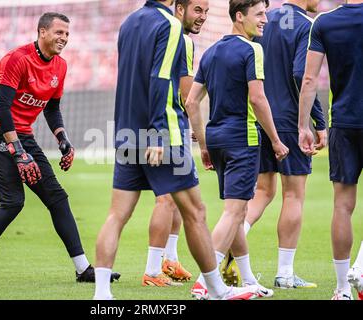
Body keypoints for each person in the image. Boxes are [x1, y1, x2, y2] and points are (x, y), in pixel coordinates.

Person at [94, 0, 259, 300]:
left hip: (127, 132)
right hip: (163, 135)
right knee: (195, 212)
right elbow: (159, 80)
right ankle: (215, 288)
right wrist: (158, 134)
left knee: (116, 215)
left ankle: (102, 293)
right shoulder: (169, 25)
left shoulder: (128, 23)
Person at [0, 12, 119, 285]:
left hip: (22, 133)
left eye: (67, 34)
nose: (64, 38)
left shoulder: (60, 66)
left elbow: (52, 108)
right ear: (42, 32)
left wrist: (62, 138)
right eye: (59, 32)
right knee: (13, 202)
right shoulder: (17, 59)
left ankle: (83, 269)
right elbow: (1, 109)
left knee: (57, 198)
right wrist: (19, 153)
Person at [188, 0, 289, 299]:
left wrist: (204, 143)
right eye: (259, 14)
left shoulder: (211, 51)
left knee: (239, 209)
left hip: (217, 139)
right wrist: (275, 140)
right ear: (239, 16)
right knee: (234, 213)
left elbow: (192, 102)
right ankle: (205, 283)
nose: (265, 20)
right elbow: (258, 99)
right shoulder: (252, 49)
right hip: (242, 138)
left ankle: (246, 280)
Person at [237, 0, 327, 289]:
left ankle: (231, 240)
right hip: (288, 120)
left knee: (262, 191)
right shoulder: (306, 25)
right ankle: (285, 273)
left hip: (260, 117)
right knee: (293, 196)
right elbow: (303, 74)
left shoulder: (264, 18)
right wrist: (318, 121)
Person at [298, 0, 363, 300]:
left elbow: (309, 78)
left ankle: (342, 288)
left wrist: (303, 126)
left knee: (342, 206)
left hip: (344, 123)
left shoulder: (324, 22)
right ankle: (361, 266)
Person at [143, 0, 209, 287]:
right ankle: (152, 269)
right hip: (167, 127)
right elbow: (187, 96)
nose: (203, 17)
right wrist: (197, 128)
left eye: (206, 12)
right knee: (168, 199)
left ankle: (169, 258)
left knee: (178, 199)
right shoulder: (179, 39)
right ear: (179, 9)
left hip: (147, 124)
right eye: (198, 10)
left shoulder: (151, 32)